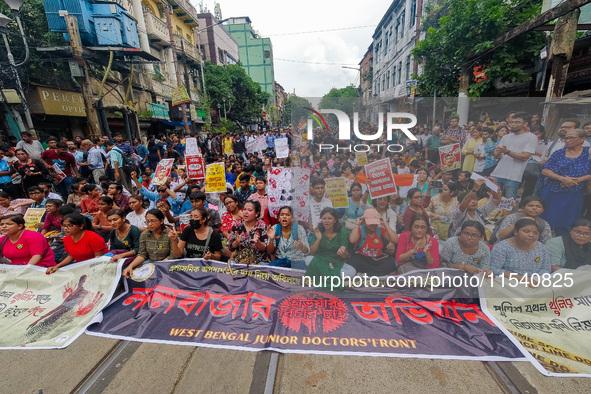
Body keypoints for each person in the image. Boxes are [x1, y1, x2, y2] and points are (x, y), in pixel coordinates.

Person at [540, 129, 591, 236]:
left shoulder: (588, 153)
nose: (567, 140)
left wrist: (577, 180)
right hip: (553, 191)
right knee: (547, 217)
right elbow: (545, 170)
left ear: (582, 139)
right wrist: (562, 178)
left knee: (568, 219)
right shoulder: (558, 153)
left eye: (571, 138)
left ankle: (563, 240)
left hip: (573, 193)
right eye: (566, 138)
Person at [491, 112, 537, 200]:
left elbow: (524, 157)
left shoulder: (531, 137)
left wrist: (507, 151)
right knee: (492, 198)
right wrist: (498, 152)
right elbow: (497, 156)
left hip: (513, 176)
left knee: (509, 201)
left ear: (525, 124)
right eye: (512, 122)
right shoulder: (506, 137)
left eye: (517, 122)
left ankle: (508, 214)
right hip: (498, 172)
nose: (513, 124)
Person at [490, 218, 551, 284]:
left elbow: (546, 268)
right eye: (526, 231)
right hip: (508, 285)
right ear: (516, 232)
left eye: (535, 233)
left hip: (535, 283)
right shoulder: (502, 247)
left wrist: (535, 279)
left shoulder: (541, 247)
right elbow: (494, 269)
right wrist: (520, 278)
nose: (531, 235)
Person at [122, 209, 178, 278]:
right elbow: (142, 254)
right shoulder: (144, 235)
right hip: (151, 265)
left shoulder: (169, 234)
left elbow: (172, 256)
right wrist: (130, 266)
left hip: (168, 265)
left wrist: (158, 266)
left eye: (153, 221)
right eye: (147, 222)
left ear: (161, 221)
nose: (150, 224)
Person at [304, 207, 351, 282]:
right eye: (324, 218)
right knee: (307, 259)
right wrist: (318, 239)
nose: (326, 221)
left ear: (335, 220)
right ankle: (331, 276)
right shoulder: (318, 230)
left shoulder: (341, 231)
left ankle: (323, 275)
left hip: (335, 262)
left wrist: (342, 253)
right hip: (320, 261)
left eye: (330, 218)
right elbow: (311, 253)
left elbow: (345, 256)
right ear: (321, 220)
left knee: (351, 271)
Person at [348, 209, 398, 276]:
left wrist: (385, 224)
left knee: (392, 263)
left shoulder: (380, 230)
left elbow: (395, 240)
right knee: (353, 261)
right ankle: (375, 273)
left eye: (375, 223)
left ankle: (370, 274)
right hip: (362, 257)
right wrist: (357, 224)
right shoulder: (360, 230)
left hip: (378, 258)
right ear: (364, 221)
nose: (373, 226)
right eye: (370, 224)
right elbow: (352, 240)